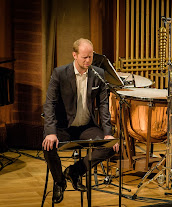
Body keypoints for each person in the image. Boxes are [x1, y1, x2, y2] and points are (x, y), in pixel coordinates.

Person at [42, 38, 119, 203]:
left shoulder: (98, 74)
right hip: (64, 127)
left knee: (111, 146)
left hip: (85, 127)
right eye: (84, 57)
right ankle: (59, 181)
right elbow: (49, 104)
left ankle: (74, 172)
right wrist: (50, 133)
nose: (88, 60)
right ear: (74, 55)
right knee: (48, 145)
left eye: (90, 56)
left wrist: (107, 134)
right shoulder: (60, 73)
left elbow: (104, 106)